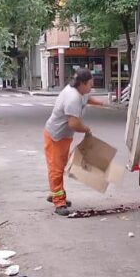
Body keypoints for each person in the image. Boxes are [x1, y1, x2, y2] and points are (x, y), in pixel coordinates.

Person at [43, 68, 101, 216]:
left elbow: (87, 98)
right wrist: (87, 130)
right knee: (56, 169)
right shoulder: (72, 97)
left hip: (64, 137)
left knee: (61, 166)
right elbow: (73, 124)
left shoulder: (81, 92)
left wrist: (100, 103)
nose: (91, 87)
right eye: (90, 84)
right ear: (82, 83)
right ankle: (59, 203)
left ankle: (55, 193)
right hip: (55, 136)